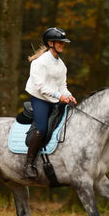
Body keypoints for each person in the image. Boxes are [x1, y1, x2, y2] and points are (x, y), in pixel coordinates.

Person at [23, 27, 77, 179]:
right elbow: (40, 86)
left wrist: (69, 96)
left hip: (54, 99)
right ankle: (28, 164)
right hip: (40, 99)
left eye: (63, 42)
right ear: (50, 43)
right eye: (60, 42)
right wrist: (60, 96)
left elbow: (62, 86)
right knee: (42, 129)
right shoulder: (40, 62)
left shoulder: (61, 65)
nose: (62, 44)